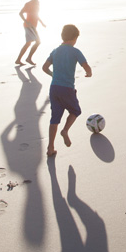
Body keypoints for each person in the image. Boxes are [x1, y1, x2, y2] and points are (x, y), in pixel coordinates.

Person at [42, 24, 92, 157]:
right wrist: (89, 73)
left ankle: (50, 147)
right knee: (75, 110)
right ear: (74, 38)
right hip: (67, 88)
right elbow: (85, 65)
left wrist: (53, 75)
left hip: (54, 88)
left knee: (54, 118)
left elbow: (44, 67)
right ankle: (65, 130)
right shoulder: (75, 51)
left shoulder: (55, 51)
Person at [15, 0, 46, 65]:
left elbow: (36, 14)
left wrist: (42, 23)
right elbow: (20, 13)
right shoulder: (28, 4)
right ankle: (28, 58)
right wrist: (26, 21)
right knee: (38, 41)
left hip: (33, 26)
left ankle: (18, 60)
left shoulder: (38, 3)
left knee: (28, 43)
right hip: (29, 26)